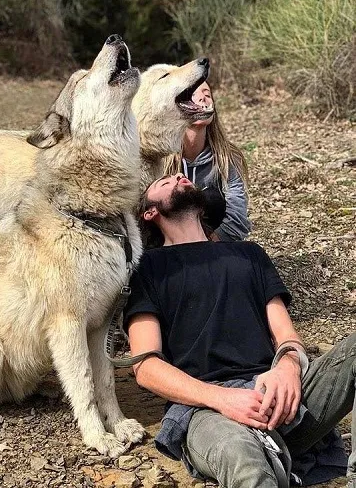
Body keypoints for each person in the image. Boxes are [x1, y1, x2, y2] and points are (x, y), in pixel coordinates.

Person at [124, 173, 355, 487]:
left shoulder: (250, 254)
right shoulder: (148, 268)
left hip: (278, 396)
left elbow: (286, 336)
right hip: (206, 409)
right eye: (166, 182)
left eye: (182, 176)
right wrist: (222, 399)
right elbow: (146, 367)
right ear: (150, 212)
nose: (180, 176)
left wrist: (287, 368)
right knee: (244, 460)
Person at [163, 81, 251, 242]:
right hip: (168, 249)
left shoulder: (227, 157)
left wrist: (210, 243)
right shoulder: (159, 157)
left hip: (217, 247)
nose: (203, 98)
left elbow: (238, 215)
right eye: (193, 95)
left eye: (207, 94)